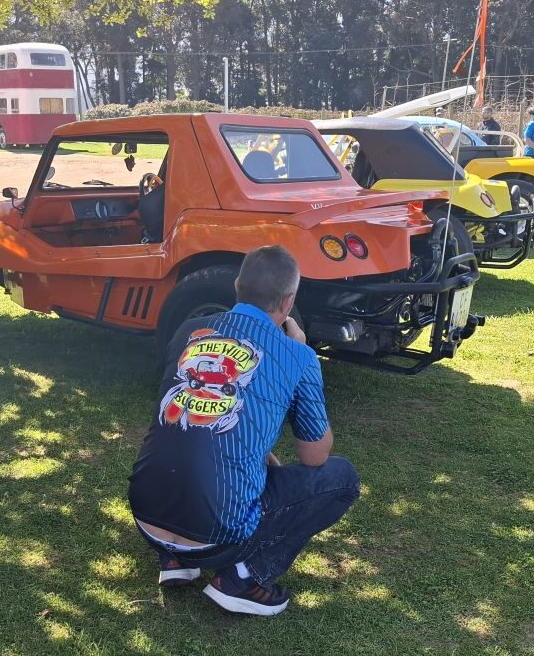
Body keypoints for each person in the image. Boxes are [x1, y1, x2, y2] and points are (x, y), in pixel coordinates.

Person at [128, 245, 360, 616]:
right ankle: (242, 577)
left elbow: (201, 409)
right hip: (217, 537)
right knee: (342, 477)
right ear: (288, 302)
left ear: (237, 285)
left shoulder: (189, 330)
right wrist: (299, 352)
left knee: (187, 445)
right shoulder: (297, 355)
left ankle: (174, 560)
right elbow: (315, 455)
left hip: (146, 516)